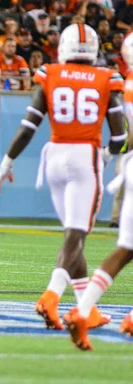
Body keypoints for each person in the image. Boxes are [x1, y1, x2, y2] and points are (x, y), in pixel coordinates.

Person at [0, 23, 126, 332]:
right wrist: (105, 156)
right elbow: (121, 136)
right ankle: (51, 295)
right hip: (84, 156)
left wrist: (5, 165)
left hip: (54, 156)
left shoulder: (50, 74)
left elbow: (28, 126)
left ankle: (85, 308)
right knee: (77, 234)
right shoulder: (106, 78)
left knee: (71, 235)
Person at [63, 32, 133, 351]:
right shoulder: (118, 85)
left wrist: (109, 156)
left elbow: (125, 138)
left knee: (126, 249)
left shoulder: (122, 84)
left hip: (128, 168)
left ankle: (83, 308)